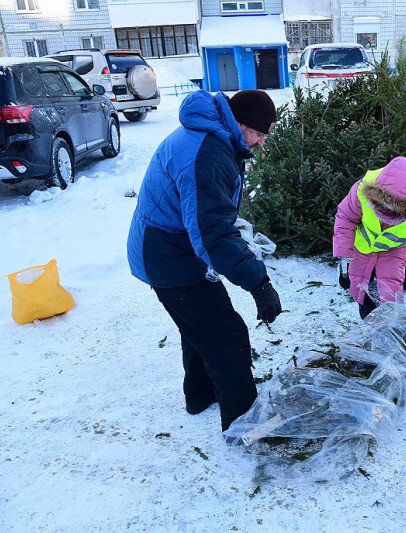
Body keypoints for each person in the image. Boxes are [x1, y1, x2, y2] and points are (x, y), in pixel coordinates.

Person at [127, 89, 282, 432]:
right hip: (167, 253)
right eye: (259, 134)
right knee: (227, 334)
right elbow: (212, 236)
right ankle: (244, 424)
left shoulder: (213, 136)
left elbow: (207, 218)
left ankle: (201, 394)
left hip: (169, 244)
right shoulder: (209, 154)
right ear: (240, 125)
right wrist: (259, 283)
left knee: (200, 324)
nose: (260, 144)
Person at [332, 156, 406, 319]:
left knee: (389, 298)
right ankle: (368, 324)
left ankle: (385, 333)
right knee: (358, 289)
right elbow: (346, 217)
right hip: (363, 247)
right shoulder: (362, 190)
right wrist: (343, 257)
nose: (385, 224)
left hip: (395, 251)